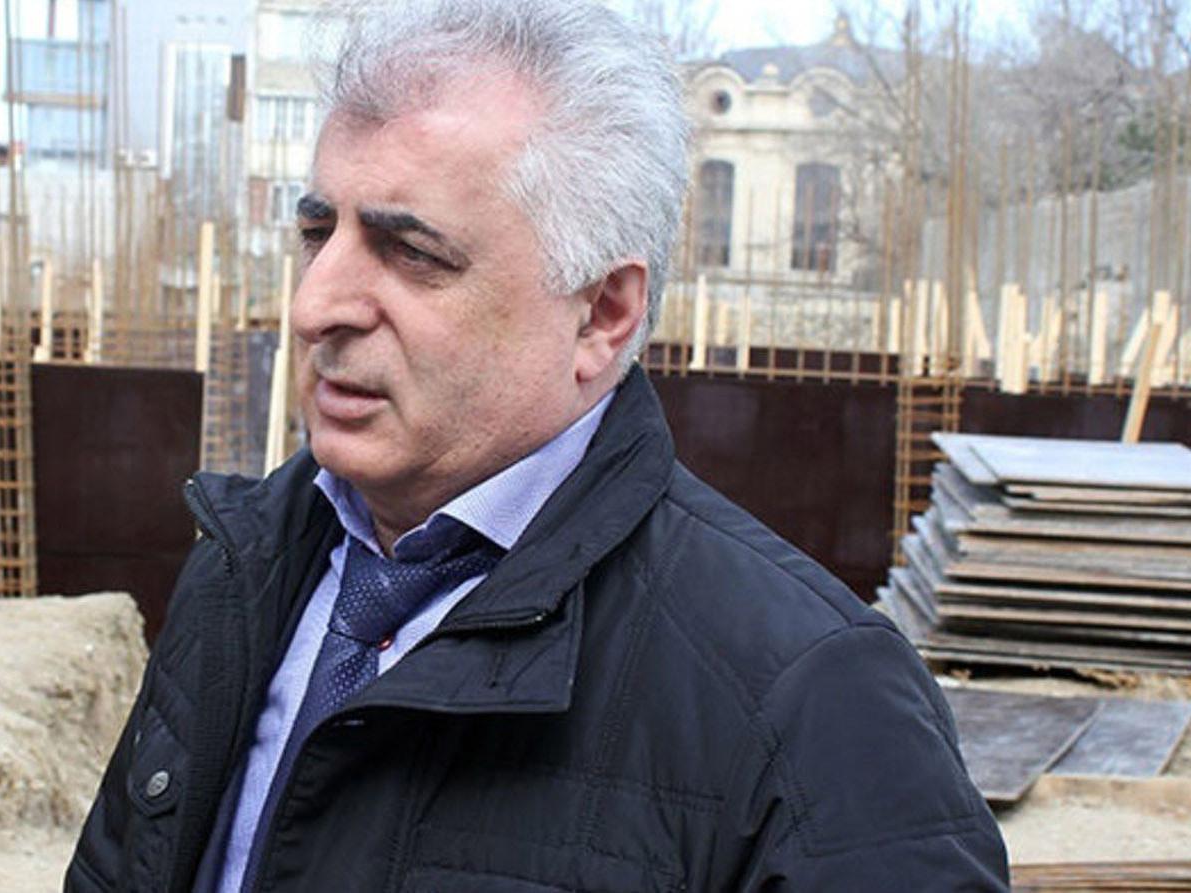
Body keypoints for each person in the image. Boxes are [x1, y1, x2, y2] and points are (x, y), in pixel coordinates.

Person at [67, 0, 1009, 889]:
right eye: (320, 231)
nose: (315, 305)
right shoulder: (242, 568)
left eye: (412, 252)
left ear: (602, 313)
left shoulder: (816, 703)